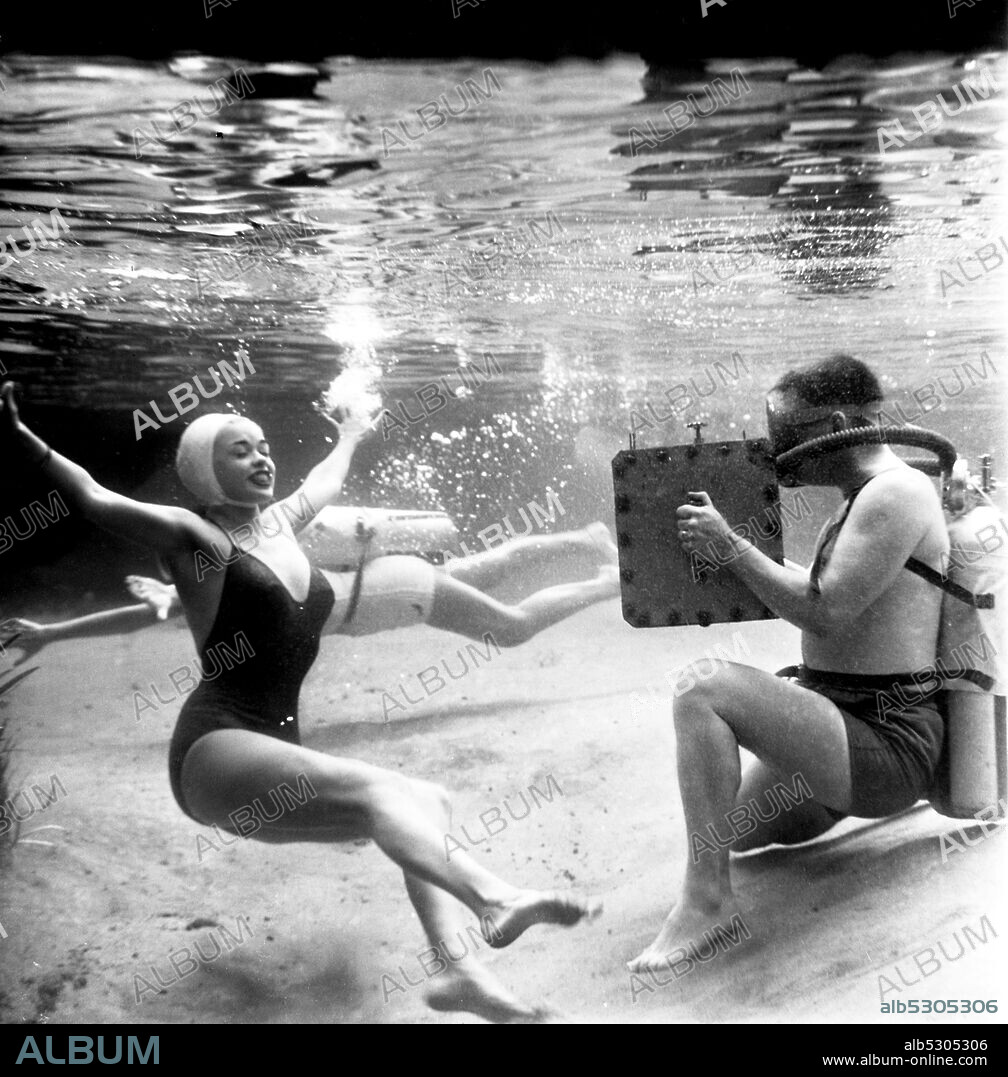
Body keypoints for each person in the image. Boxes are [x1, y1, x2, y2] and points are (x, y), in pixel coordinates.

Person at [1, 391, 600, 1021]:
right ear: (206, 472)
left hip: (267, 759)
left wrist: (349, 431)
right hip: (215, 747)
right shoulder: (193, 537)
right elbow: (96, 498)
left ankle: (460, 976)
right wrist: (22, 437)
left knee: (425, 804)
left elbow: (325, 479)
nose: (261, 458)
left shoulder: (283, 522)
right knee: (387, 796)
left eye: (264, 446)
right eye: (241, 451)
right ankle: (496, 900)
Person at [628, 354, 949, 974]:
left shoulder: (896, 492)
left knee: (701, 688)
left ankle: (707, 901)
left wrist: (732, 547)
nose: (776, 451)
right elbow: (840, 597)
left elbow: (825, 612)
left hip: (885, 744)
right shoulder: (864, 495)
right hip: (846, 728)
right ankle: (831, 807)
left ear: (834, 423)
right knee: (736, 831)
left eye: (786, 433)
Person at [1, 511, 619, 664]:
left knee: (509, 629)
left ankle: (607, 583)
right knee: (493, 565)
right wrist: (53, 631)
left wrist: (54, 632)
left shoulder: (220, 585)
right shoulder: (245, 550)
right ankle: (587, 539)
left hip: (390, 595)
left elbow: (143, 614)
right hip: (383, 582)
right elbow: (143, 612)